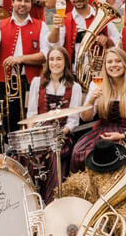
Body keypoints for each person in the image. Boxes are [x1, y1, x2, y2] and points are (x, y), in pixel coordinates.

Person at [0, 0, 52, 132]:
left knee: (32, 124)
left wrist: (20, 59)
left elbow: (45, 55)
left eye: (26, 1)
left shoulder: (41, 26)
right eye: (19, 0)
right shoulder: (0, 25)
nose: (22, 3)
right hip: (7, 84)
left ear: (31, 4)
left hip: (32, 83)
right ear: (12, 2)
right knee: (10, 126)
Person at [74, 48, 126, 172]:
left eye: (118, 61)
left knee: (115, 157)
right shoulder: (97, 85)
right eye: (109, 62)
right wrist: (91, 100)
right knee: (79, 152)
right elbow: (86, 118)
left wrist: (123, 135)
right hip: (102, 132)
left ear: (125, 64)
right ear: (105, 66)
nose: (113, 65)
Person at [23, 46, 82, 193]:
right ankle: (32, 194)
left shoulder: (75, 87)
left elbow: (73, 121)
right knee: (28, 152)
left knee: (53, 152)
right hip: (39, 132)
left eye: (59, 59)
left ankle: (52, 195)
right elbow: (31, 115)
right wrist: (32, 133)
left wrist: (59, 134)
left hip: (61, 134)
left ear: (65, 62)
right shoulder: (37, 82)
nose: (55, 63)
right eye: (51, 59)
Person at [59, 0, 117, 74]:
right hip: (72, 75)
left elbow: (117, 41)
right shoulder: (64, 19)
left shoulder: (102, 16)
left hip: (101, 74)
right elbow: (56, 45)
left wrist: (107, 40)